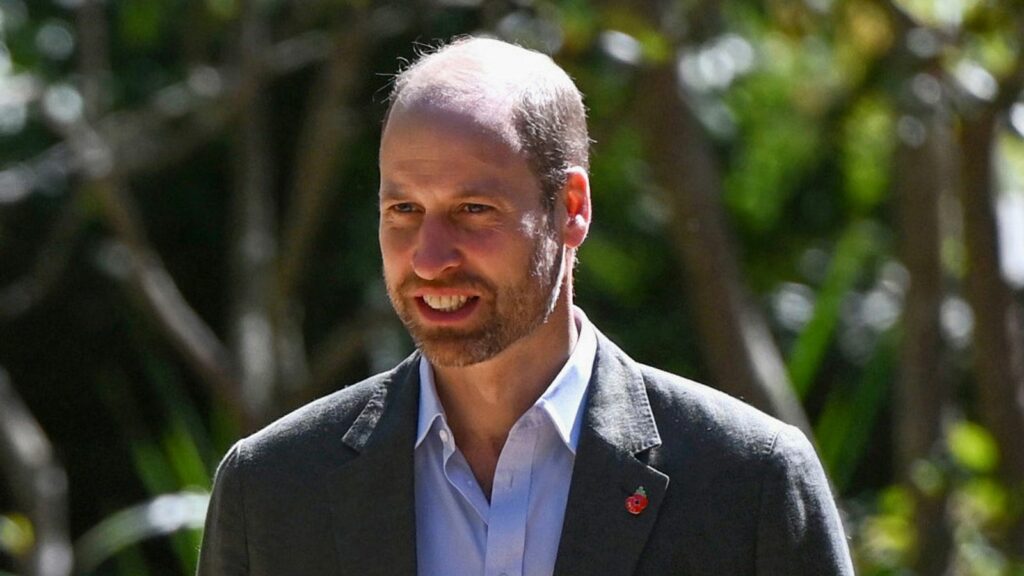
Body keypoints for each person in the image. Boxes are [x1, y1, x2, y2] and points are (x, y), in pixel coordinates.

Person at [197, 36, 855, 576]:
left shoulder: (749, 485)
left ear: (571, 209)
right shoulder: (272, 490)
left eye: (472, 210)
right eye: (404, 210)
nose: (429, 258)